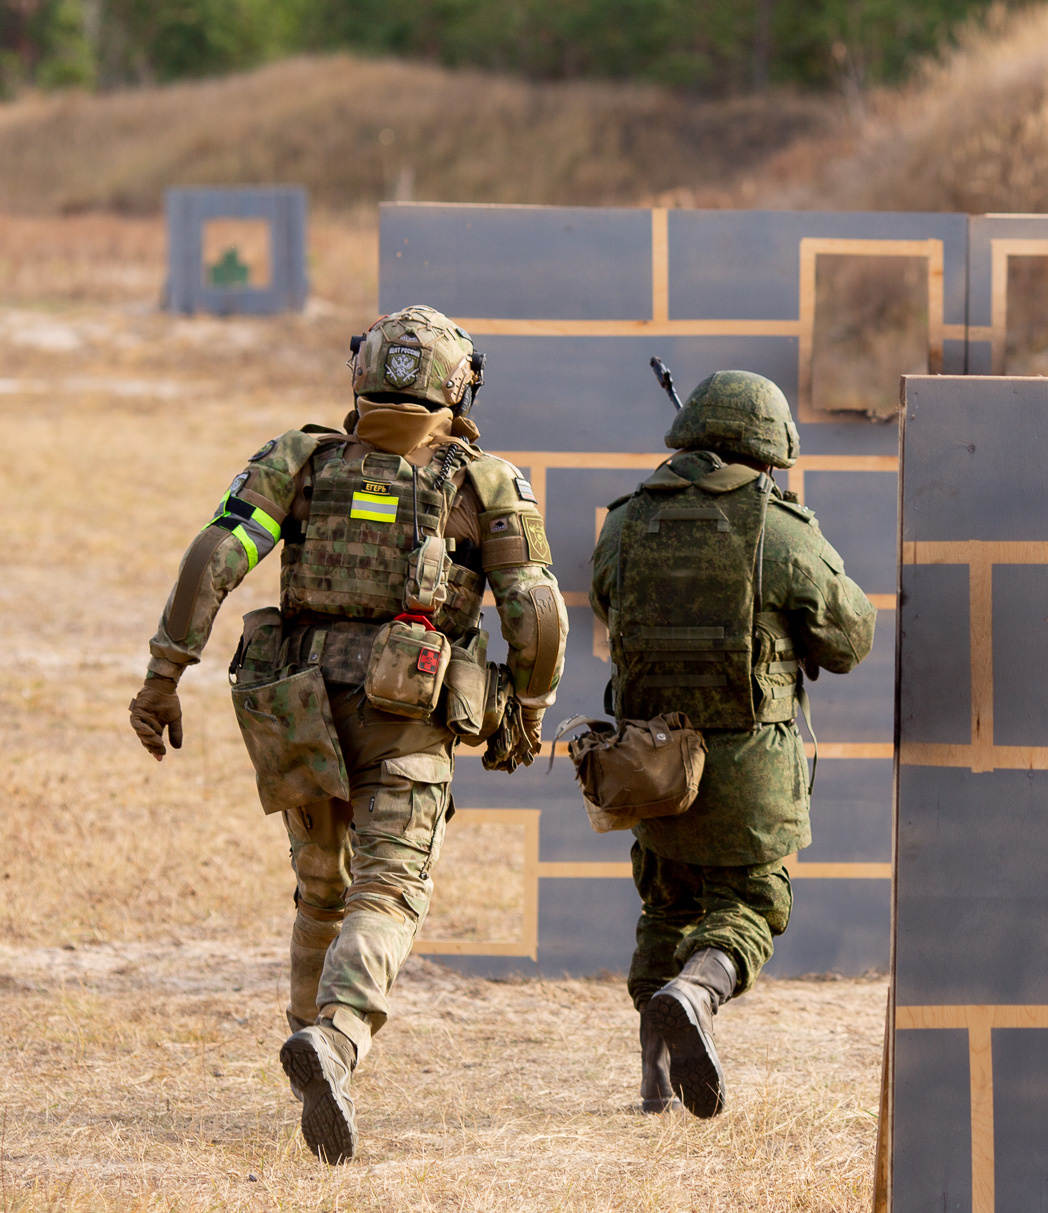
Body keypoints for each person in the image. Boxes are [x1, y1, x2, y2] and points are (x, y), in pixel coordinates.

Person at [126, 306, 566, 1162]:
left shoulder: (299, 460)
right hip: (405, 713)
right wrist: (531, 709)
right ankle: (335, 1038)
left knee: (321, 888)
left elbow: (214, 558)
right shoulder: (486, 485)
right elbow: (536, 614)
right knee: (388, 893)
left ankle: (309, 1048)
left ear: (361, 375)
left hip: (295, 702)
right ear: (458, 384)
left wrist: (163, 675)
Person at [590, 370, 875, 1119]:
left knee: (665, 903)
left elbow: (605, 604)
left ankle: (653, 1079)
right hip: (749, 768)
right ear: (771, 448)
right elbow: (850, 638)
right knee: (749, 901)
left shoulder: (625, 521)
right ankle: (694, 992)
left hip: (652, 763)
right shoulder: (779, 528)